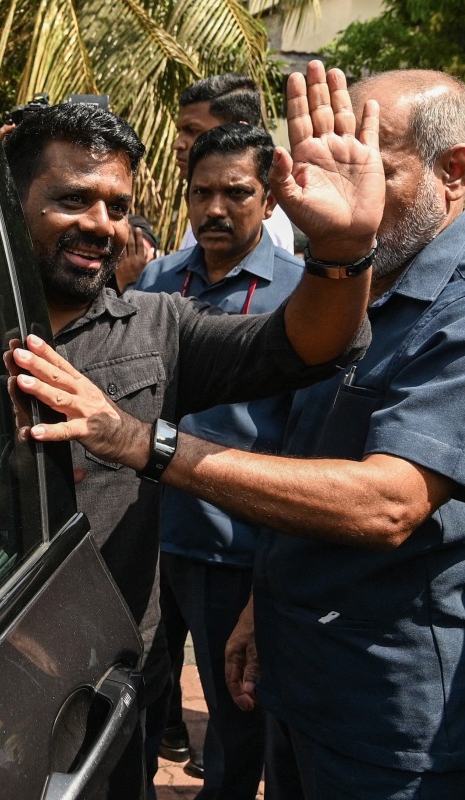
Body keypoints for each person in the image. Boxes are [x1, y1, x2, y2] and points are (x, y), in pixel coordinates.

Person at [12, 68, 465, 799]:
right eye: (322, 169)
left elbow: (384, 505)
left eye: (366, 168)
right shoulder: (365, 291)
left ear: (456, 173)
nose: (338, 193)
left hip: (393, 713)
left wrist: (148, 442)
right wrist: (261, 607)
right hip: (297, 676)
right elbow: (307, 456)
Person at [0, 61, 379, 799]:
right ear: (9, 200)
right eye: (73, 200)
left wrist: (343, 253)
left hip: (107, 689)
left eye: (117, 205)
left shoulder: (162, 328)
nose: (102, 224)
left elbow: (306, 345)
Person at [134, 122, 303, 798]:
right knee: (139, 701)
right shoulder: (157, 279)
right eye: (201, 193)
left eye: (236, 193)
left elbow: (304, 440)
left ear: (269, 199)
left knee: (236, 718)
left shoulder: (304, 294)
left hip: (236, 552)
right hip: (148, 540)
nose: (215, 209)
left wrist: (269, 577)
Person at [173, 74, 294, 254]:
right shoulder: (206, 220)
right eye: (201, 193)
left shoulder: (261, 226)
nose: (178, 144)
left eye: (192, 131)